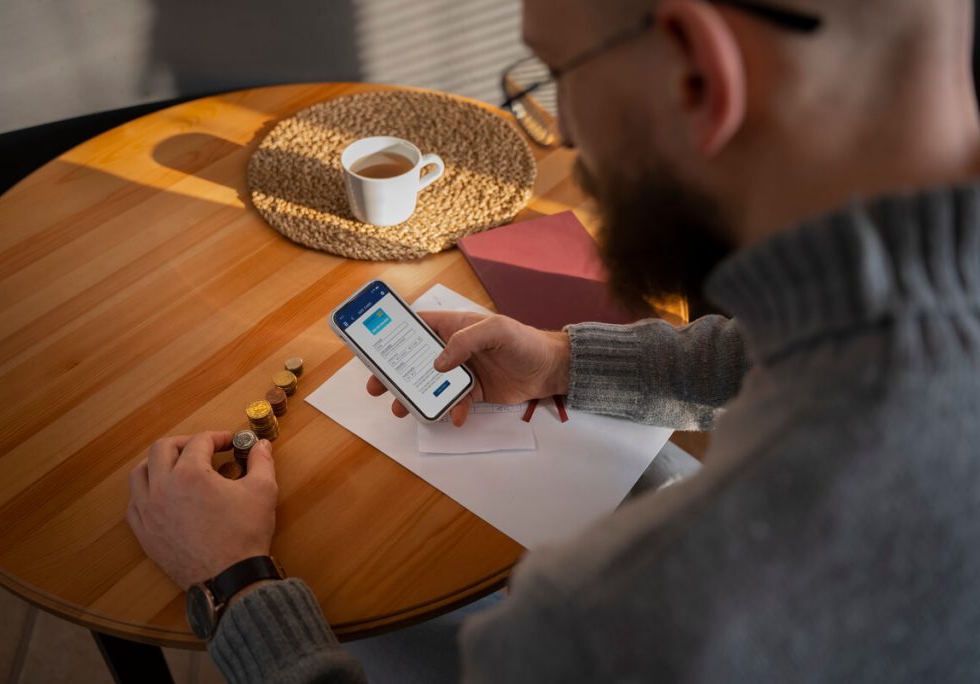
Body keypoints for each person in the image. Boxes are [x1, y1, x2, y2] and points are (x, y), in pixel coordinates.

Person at [127, 0, 980, 680]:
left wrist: (234, 585)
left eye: (558, 72)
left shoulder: (608, 620)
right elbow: (770, 350)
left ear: (696, 75)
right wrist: (568, 360)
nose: (566, 128)